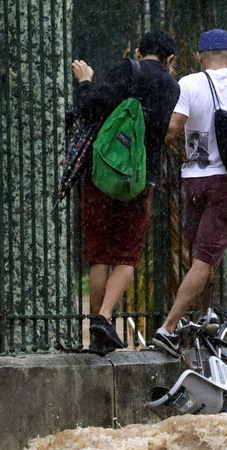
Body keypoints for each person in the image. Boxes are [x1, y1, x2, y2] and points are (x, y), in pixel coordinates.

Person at [71, 30, 180, 354]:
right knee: (126, 255)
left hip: (102, 175)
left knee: (99, 254)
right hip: (139, 179)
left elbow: (89, 109)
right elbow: (161, 133)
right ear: (170, 60)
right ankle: (105, 316)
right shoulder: (172, 87)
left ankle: (98, 325)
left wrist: (85, 80)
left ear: (138, 50)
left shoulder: (127, 70)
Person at [153, 29, 227, 357]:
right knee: (204, 259)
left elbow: (173, 129)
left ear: (197, 56)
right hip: (226, 181)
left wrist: (176, 144)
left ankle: (206, 315)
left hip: (193, 181)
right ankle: (168, 328)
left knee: (200, 256)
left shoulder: (188, 83)